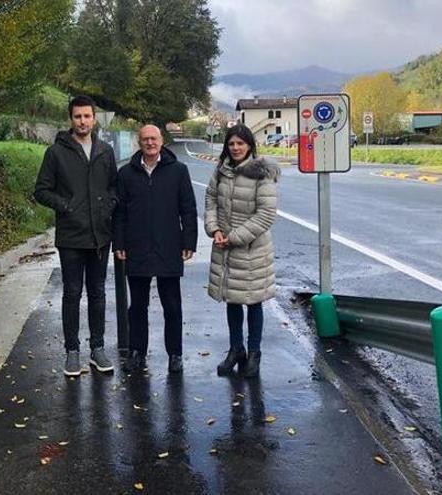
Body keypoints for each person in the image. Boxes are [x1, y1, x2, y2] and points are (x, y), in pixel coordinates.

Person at [34, 95, 118, 376]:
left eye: (87, 116)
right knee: (72, 293)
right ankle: (72, 351)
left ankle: (97, 348)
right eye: (77, 116)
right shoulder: (55, 153)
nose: (82, 121)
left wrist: (107, 207)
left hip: (100, 237)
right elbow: (41, 191)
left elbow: (113, 188)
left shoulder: (105, 151)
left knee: (98, 293)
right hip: (71, 236)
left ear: (94, 118)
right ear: (70, 119)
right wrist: (66, 207)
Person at [113, 125, 197, 373]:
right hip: (136, 247)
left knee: (172, 305)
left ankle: (175, 354)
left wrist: (188, 242)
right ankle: (137, 351)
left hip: (169, 246)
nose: (149, 143)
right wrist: (119, 242)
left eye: (154, 138)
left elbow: (188, 209)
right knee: (137, 306)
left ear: (162, 141)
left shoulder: (178, 171)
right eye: (145, 139)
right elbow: (119, 213)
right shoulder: (126, 174)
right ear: (139, 143)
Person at [204, 124, 280, 378]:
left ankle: (254, 353)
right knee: (232, 299)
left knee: (253, 301)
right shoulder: (221, 171)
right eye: (231, 144)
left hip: (251, 249)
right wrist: (214, 229)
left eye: (240, 143)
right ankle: (236, 349)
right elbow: (211, 199)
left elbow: (266, 214)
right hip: (224, 245)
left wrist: (234, 237)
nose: (235, 148)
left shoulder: (262, 174)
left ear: (249, 145)